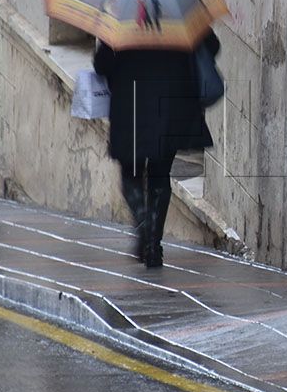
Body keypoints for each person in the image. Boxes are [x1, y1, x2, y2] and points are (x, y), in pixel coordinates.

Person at [93, 29, 220, 268]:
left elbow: (102, 64)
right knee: (160, 175)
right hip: (171, 102)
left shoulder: (123, 15)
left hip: (130, 104)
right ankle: (153, 244)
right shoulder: (179, 11)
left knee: (130, 174)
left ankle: (144, 225)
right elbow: (212, 45)